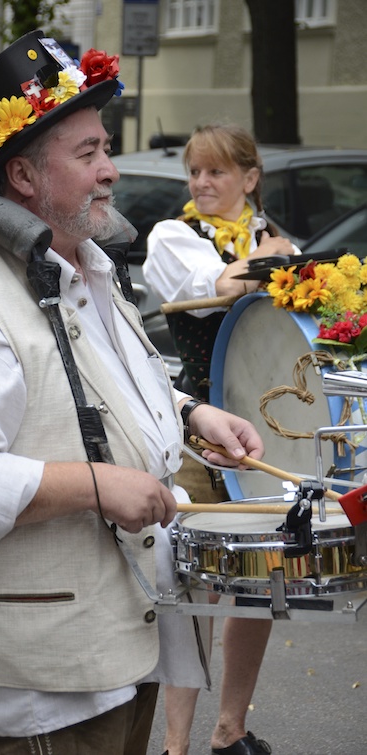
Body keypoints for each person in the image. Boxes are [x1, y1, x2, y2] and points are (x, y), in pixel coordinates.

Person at [0, 35, 264, 755]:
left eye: (105, 149)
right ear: (24, 174)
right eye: (88, 153)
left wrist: (191, 413)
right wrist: (96, 484)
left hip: (121, 633)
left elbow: (121, 384)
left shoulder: (84, 263)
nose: (111, 170)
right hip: (42, 669)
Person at [144, 124, 301, 755]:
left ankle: (228, 729)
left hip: (265, 435)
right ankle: (175, 746)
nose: (201, 184)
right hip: (197, 429)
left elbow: (304, 303)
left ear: (250, 178)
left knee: (258, 584)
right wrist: (274, 264)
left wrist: (268, 263)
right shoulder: (171, 236)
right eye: (194, 172)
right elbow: (216, 291)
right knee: (189, 589)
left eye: (215, 173)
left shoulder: (270, 236)